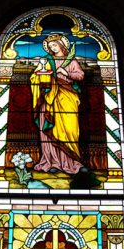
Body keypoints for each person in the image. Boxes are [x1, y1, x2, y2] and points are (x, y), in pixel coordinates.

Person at [30, 34, 86, 174]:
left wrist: (66, 72)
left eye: (54, 45)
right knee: (50, 130)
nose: (52, 48)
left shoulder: (71, 61)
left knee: (70, 129)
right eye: (50, 47)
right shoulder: (47, 61)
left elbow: (80, 75)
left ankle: (74, 162)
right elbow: (35, 76)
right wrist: (42, 75)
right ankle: (52, 162)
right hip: (50, 96)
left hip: (68, 96)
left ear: (61, 45)